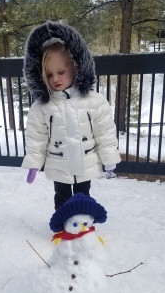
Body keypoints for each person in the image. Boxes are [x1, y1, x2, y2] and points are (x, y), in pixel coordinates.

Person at [21, 20, 121, 209]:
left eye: (61, 71)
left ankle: (83, 224)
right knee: (62, 197)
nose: (55, 78)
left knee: (83, 195)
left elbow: (105, 133)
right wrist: (34, 163)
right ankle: (62, 225)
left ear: (76, 67)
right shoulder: (41, 107)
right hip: (59, 164)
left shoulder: (95, 101)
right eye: (49, 75)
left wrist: (109, 158)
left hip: (86, 163)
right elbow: (37, 139)